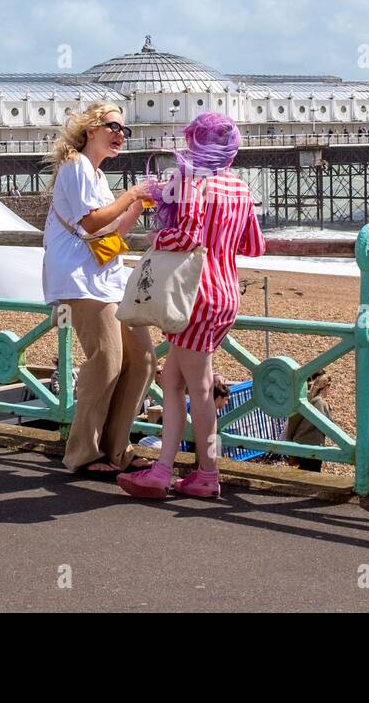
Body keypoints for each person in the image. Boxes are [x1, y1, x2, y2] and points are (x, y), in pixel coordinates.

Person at [118, 113, 265, 500]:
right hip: (226, 294)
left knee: (195, 388)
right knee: (175, 382)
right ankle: (173, 470)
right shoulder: (240, 189)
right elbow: (254, 246)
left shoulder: (192, 181)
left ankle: (197, 473)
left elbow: (186, 235)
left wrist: (157, 236)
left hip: (194, 295)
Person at [43, 102, 156, 478]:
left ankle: (116, 448)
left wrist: (137, 205)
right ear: (91, 129)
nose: (120, 135)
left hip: (106, 276)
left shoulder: (98, 177)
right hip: (77, 278)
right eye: (113, 127)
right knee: (106, 360)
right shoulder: (74, 166)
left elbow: (110, 235)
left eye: (125, 130)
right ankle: (81, 453)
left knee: (141, 360)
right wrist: (130, 194)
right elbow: (91, 224)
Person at [283, 370, 333, 472]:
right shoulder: (321, 403)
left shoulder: (303, 401)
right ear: (327, 387)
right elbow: (329, 426)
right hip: (313, 446)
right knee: (312, 472)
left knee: (304, 469)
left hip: (298, 442)